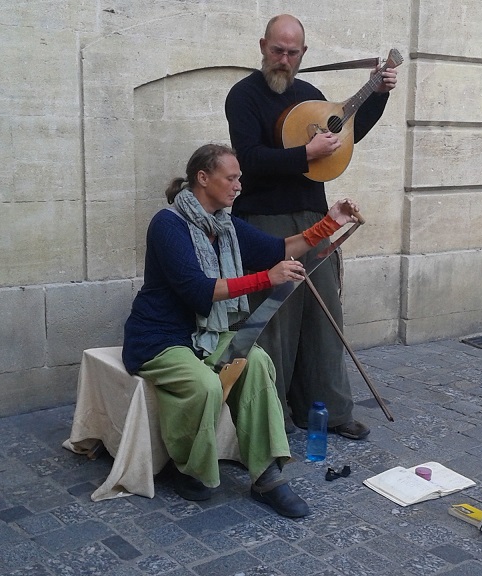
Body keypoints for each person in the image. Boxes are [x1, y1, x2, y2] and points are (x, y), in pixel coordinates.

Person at [122, 143, 359, 518]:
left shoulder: (226, 226)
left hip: (209, 335)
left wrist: (330, 222)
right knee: (204, 384)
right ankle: (189, 468)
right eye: (231, 178)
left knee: (258, 362)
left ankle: (267, 477)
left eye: (239, 179)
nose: (238, 187)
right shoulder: (167, 224)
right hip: (160, 337)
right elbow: (196, 288)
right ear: (203, 178)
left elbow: (280, 247)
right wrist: (266, 278)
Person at [225, 14, 397, 440]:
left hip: (315, 219)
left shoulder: (311, 95)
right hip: (262, 222)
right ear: (262, 45)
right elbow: (247, 158)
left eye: (292, 52)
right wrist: (305, 153)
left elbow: (346, 134)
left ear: (304, 54)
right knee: (273, 322)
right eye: (277, 50)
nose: (283, 59)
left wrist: (378, 94)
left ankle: (328, 410)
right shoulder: (243, 96)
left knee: (323, 317)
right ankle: (269, 419)